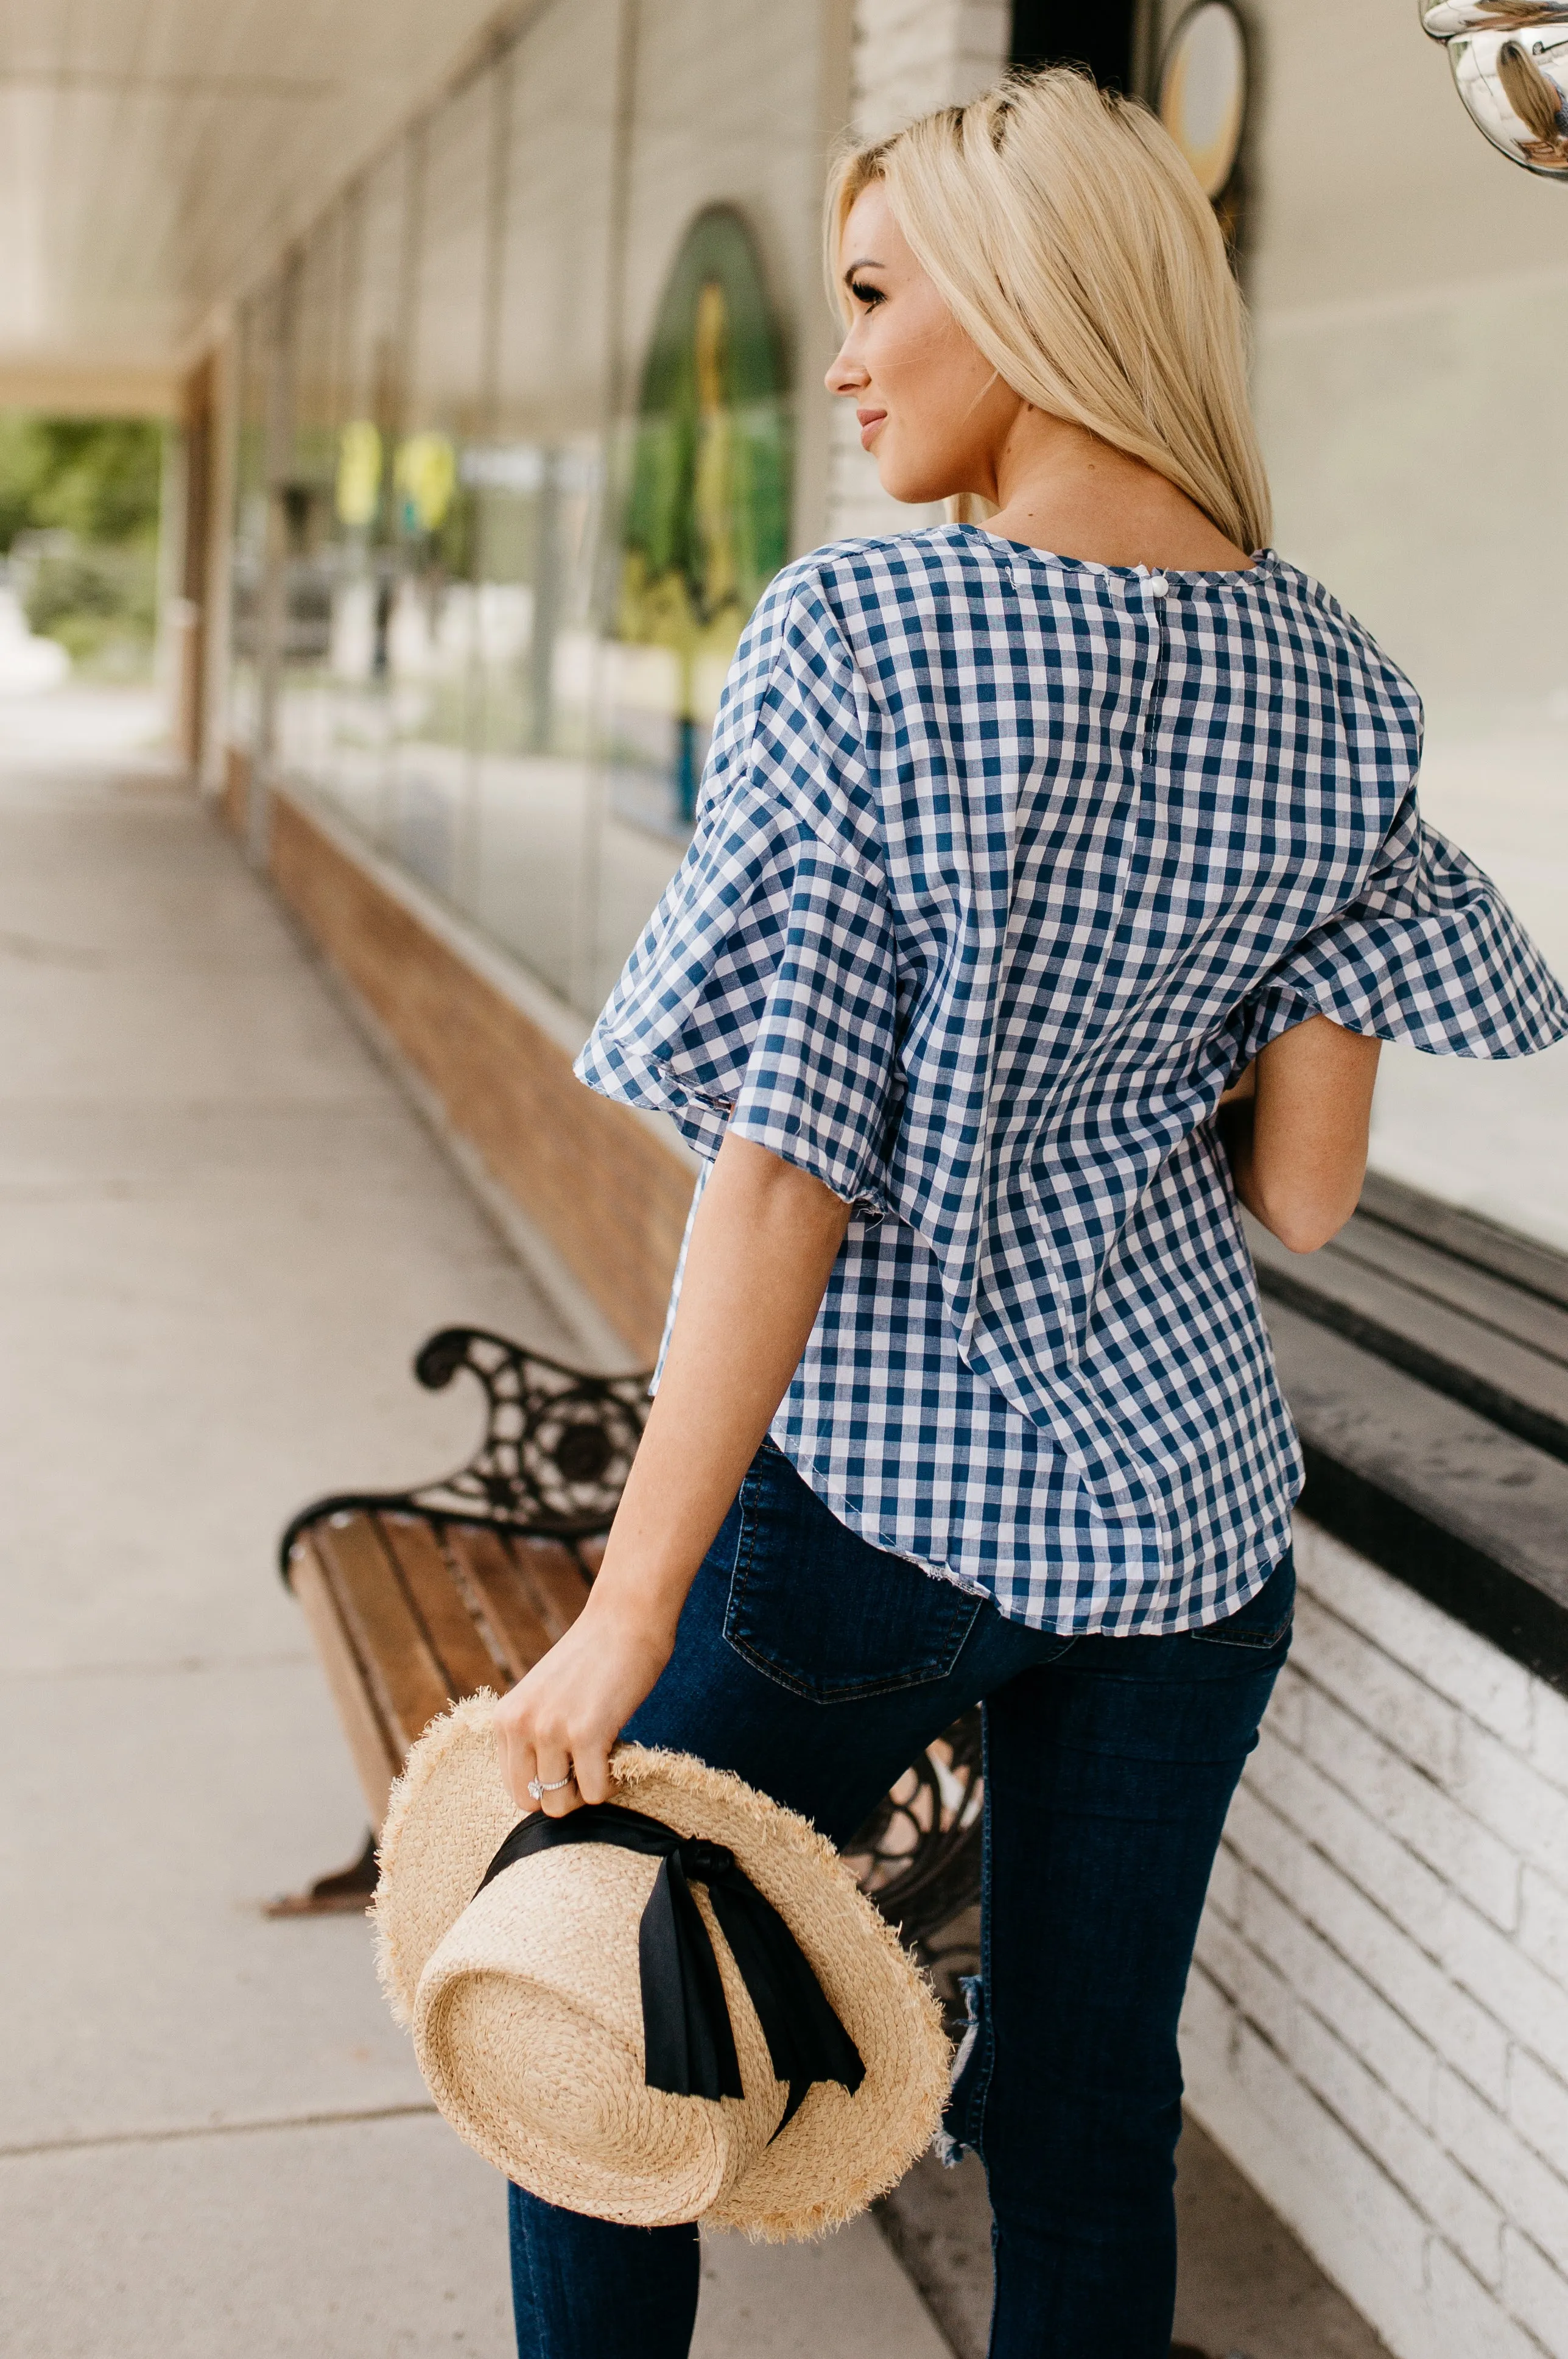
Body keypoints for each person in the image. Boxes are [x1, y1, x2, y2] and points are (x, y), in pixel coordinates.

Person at [493, 69, 1568, 2359]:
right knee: (1086, 2110)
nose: (849, 353)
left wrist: (625, 1603)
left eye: (877, 293)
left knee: (593, 2015)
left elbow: (778, 1176)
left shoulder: (863, 639)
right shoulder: (1337, 679)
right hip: (1189, 1531)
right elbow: (1301, 1192)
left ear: (1035, 292)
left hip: (878, 1526)